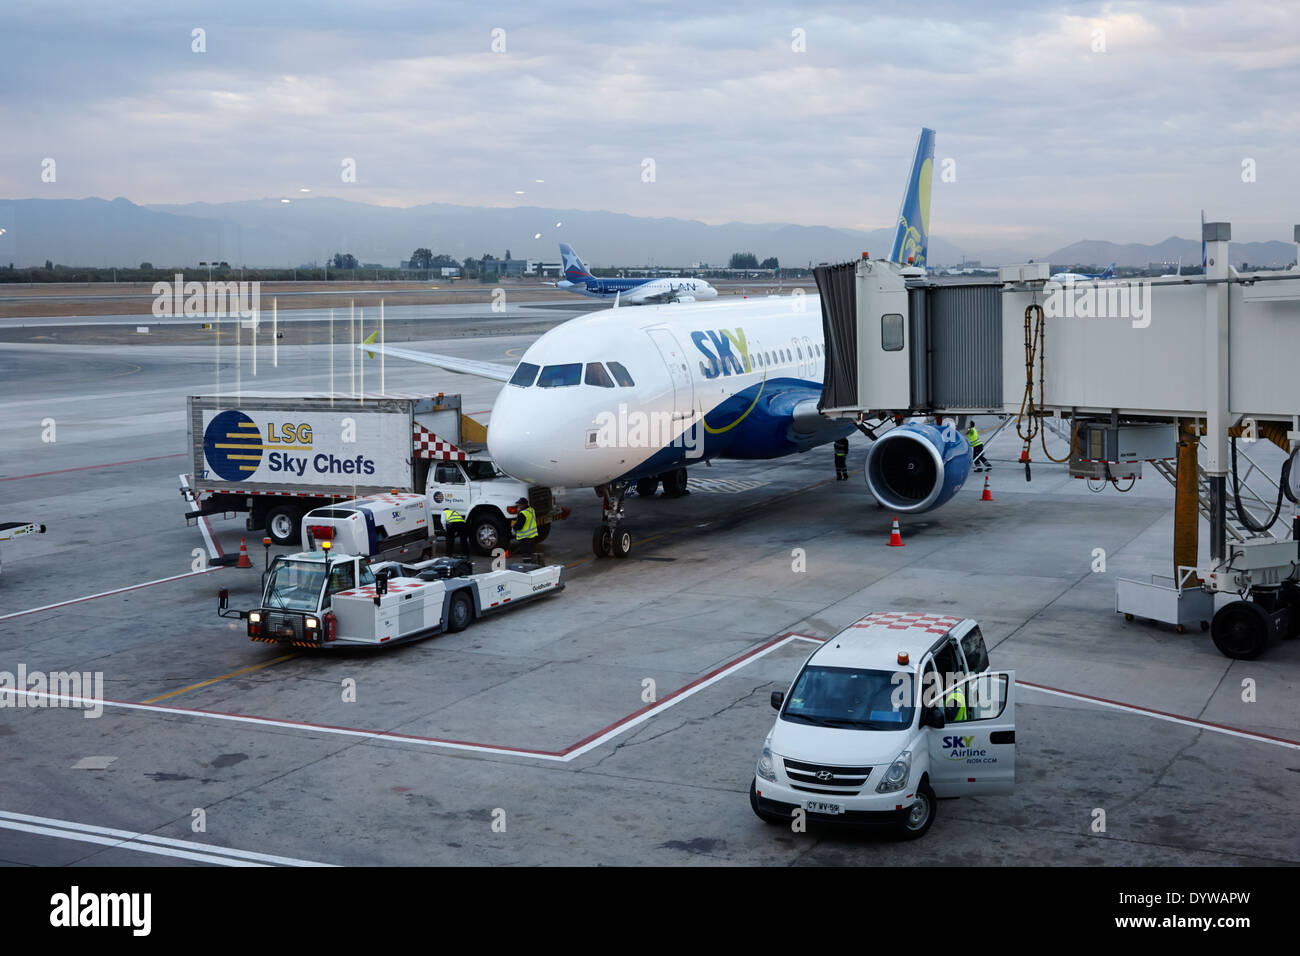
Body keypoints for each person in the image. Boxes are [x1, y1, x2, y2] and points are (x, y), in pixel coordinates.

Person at [509, 497, 540, 563]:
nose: (518, 506)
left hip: (525, 537)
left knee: (526, 554)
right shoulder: (531, 510)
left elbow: (519, 526)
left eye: (520, 505)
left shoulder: (523, 514)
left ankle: (527, 566)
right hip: (532, 536)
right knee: (531, 552)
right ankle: (533, 564)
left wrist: (513, 527)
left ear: (524, 505)